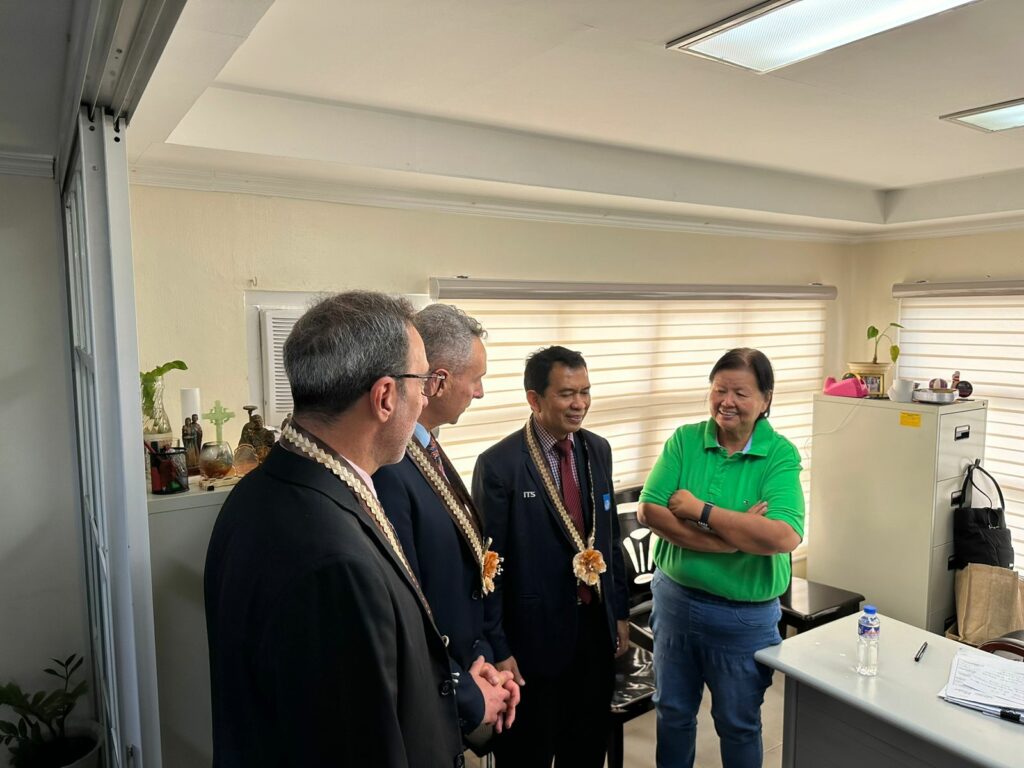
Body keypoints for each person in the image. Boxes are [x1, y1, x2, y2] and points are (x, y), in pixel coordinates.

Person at [204, 291, 465, 768]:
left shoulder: (261, 490)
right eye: (423, 381)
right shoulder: (335, 561)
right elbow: (357, 742)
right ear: (385, 397)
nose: (427, 396)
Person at [637, 347, 804, 768]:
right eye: (719, 390)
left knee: (738, 723)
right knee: (672, 712)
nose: (726, 402)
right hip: (674, 603)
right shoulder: (685, 440)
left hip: (742, 619)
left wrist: (700, 510)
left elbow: (783, 535)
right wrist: (729, 540)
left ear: (765, 400)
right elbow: (650, 511)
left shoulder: (779, 455)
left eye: (741, 393)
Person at [472, 345, 629, 768]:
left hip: (593, 632)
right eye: (566, 393)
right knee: (529, 754)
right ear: (534, 399)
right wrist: (498, 646)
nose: (579, 403)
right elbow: (489, 569)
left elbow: (609, 540)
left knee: (586, 748)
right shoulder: (500, 465)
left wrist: (618, 612)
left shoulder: (598, 450)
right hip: (532, 643)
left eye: (585, 391)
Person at [374, 304, 519, 751]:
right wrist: (464, 682)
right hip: (436, 683)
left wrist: (484, 658)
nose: (480, 392)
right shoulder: (390, 466)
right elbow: (412, 597)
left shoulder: (426, 447)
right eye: (475, 379)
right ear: (437, 380)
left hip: (468, 665)